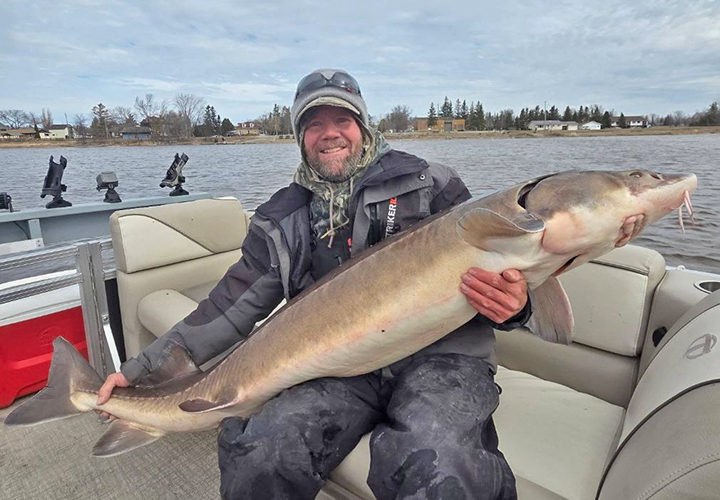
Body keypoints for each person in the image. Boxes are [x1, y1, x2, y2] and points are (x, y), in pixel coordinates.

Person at [97, 69, 531, 500]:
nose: (330, 134)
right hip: (338, 370)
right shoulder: (280, 220)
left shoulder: (432, 184)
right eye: (314, 124)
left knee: (439, 461)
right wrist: (139, 371)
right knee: (261, 449)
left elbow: (509, 268)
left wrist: (517, 306)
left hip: (442, 358)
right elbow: (228, 308)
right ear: (300, 136)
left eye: (341, 120)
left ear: (361, 125)